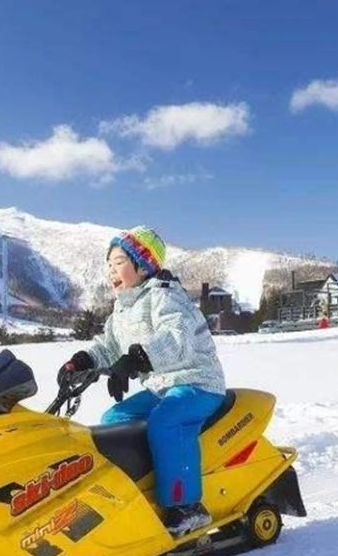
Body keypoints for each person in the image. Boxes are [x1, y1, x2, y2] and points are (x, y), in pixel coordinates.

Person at [58, 226, 226, 537]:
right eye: (109, 264)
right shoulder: (123, 306)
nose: (112, 270)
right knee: (114, 419)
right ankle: (135, 492)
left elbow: (176, 339)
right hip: (162, 386)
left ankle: (187, 506)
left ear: (142, 265)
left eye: (119, 261)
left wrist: (137, 359)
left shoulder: (165, 295)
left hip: (198, 382)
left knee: (167, 421)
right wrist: (83, 361)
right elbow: (108, 345)